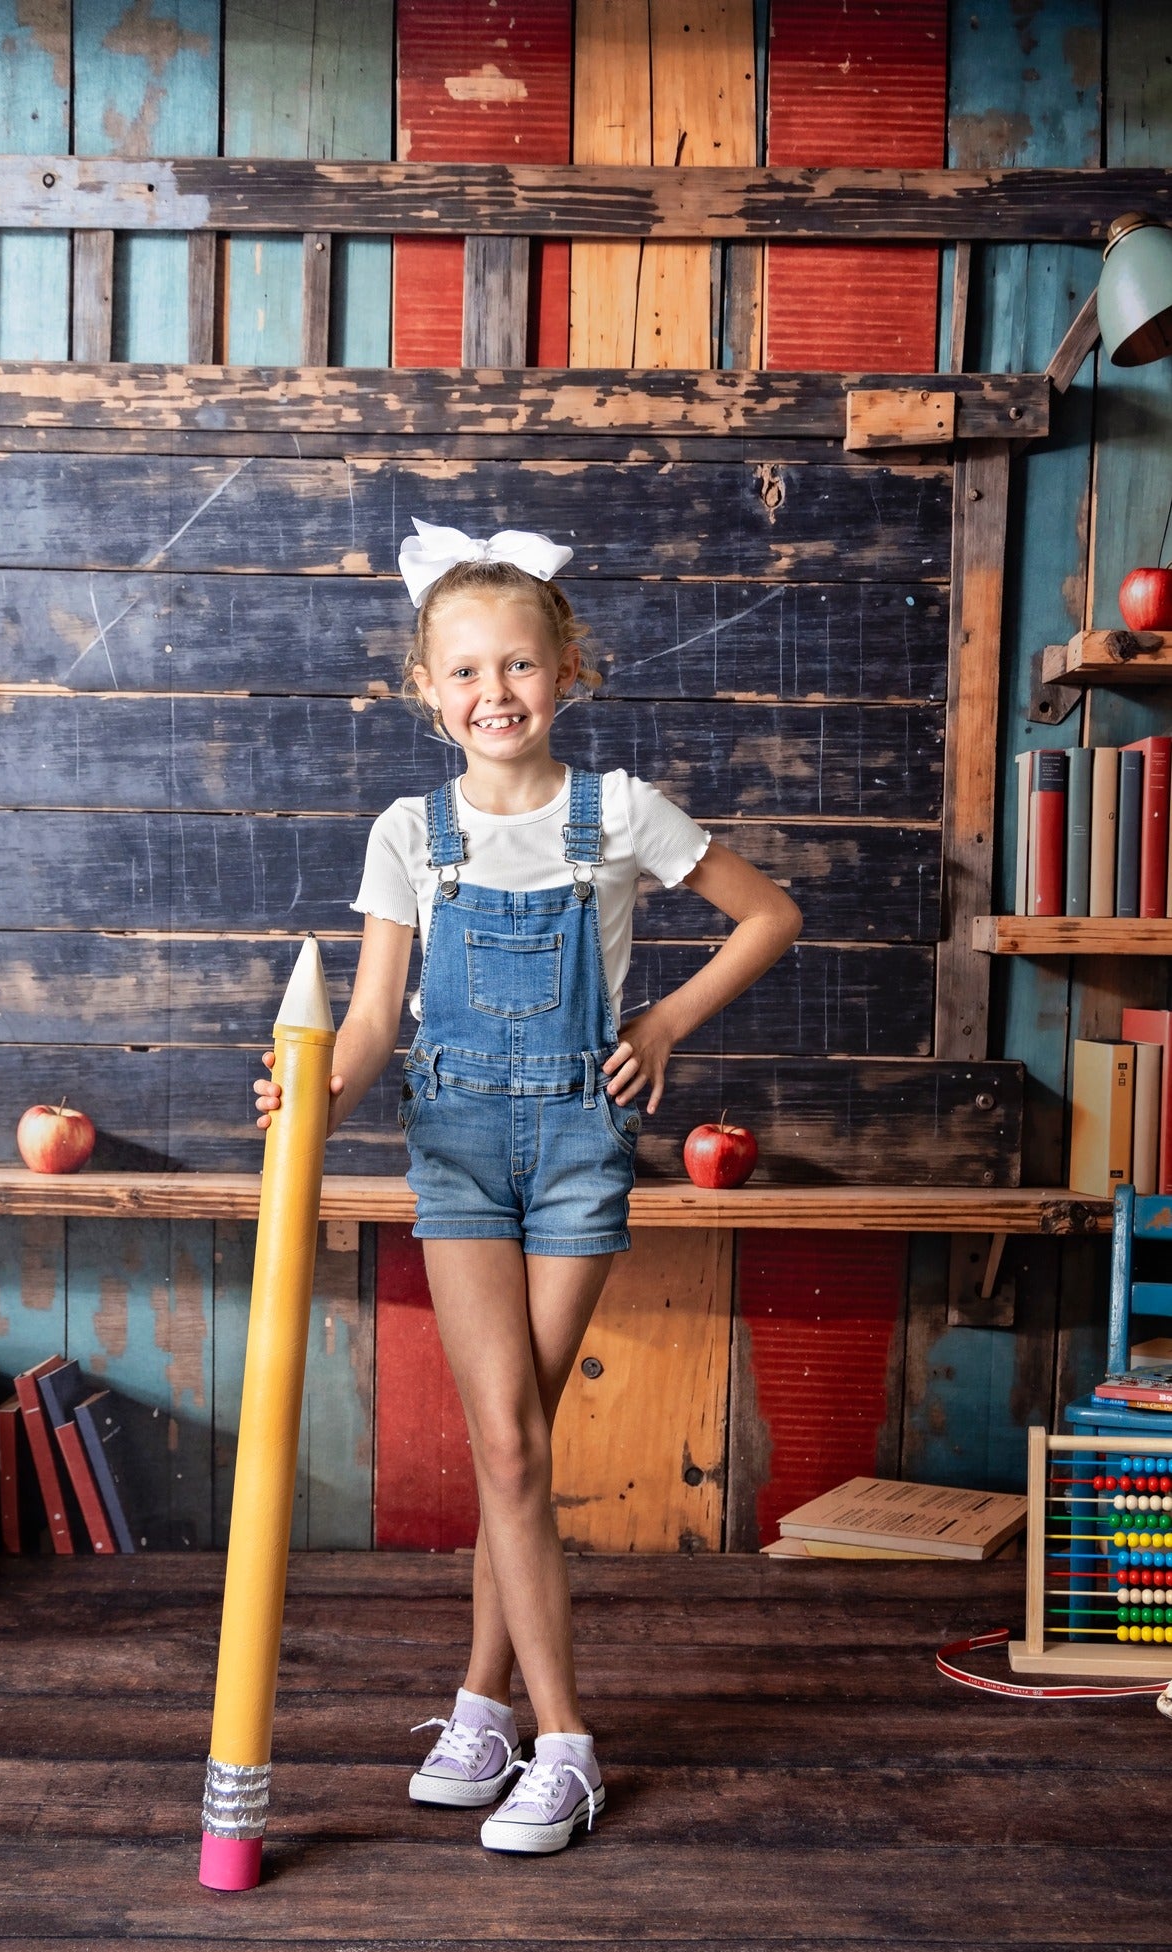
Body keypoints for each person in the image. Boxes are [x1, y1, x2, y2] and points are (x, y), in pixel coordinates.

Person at [255, 517, 802, 1854]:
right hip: (451, 1143)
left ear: (567, 670)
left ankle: (533, 1736)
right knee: (511, 1444)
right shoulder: (408, 831)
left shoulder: (618, 812)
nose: (493, 692)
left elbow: (770, 914)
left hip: (574, 1145)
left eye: (517, 664)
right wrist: (316, 1101)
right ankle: (519, 1722)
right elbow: (372, 1018)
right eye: (464, 671)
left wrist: (661, 1025)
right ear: (425, 688)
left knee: (516, 1444)